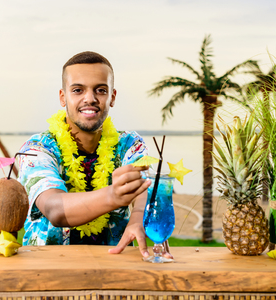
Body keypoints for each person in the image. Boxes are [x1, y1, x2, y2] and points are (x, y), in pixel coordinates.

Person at [17, 51, 168, 259]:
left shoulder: (129, 145)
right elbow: (55, 210)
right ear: (63, 97)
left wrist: (137, 218)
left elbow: (143, 184)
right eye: (78, 90)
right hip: (48, 273)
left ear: (112, 97)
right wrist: (113, 196)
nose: (90, 99)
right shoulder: (36, 149)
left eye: (101, 90)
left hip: (114, 270)